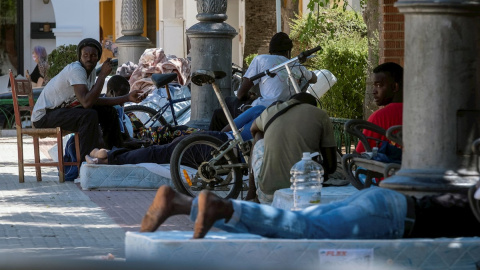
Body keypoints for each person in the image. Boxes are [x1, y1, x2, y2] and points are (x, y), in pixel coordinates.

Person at [140, 183, 480, 239]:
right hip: (393, 217)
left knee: (295, 227)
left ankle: (180, 203)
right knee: (303, 229)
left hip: (387, 203)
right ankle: (222, 207)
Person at [32, 38, 146, 163]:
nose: (89, 58)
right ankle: (85, 161)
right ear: (80, 57)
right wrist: (102, 75)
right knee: (88, 115)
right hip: (43, 116)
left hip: (61, 111)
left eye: (93, 55)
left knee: (108, 111)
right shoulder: (76, 70)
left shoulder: (90, 72)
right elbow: (87, 103)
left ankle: (115, 152)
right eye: (85, 55)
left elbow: (94, 100)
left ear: (98, 58)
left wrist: (127, 97)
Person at [85, 105, 267, 165]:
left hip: (217, 141)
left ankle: (110, 155)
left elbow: (228, 128)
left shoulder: (261, 110)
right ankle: (110, 156)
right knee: (159, 153)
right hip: (224, 152)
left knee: (160, 150)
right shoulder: (274, 129)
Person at [209, 32, 317, 131]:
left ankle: (211, 146)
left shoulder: (261, 59)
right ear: (288, 51)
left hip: (263, 110)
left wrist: (248, 97)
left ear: (270, 51)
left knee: (222, 109)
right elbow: (314, 78)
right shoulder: (296, 65)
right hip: (286, 110)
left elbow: (240, 94)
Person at [247, 92, 337, 204]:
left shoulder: (270, 111)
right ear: (312, 106)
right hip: (303, 195)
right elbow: (331, 166)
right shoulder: (320, 114)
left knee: (258, 136)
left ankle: (251, 193)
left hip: (268, 195)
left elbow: (253, 129)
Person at [356, 62, 404, 154]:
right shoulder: (421, 113)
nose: (374, 91)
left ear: (394, 87)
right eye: (374, 86)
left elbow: (360, 154)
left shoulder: (379, 118)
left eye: (379, 85)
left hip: (387, 168)